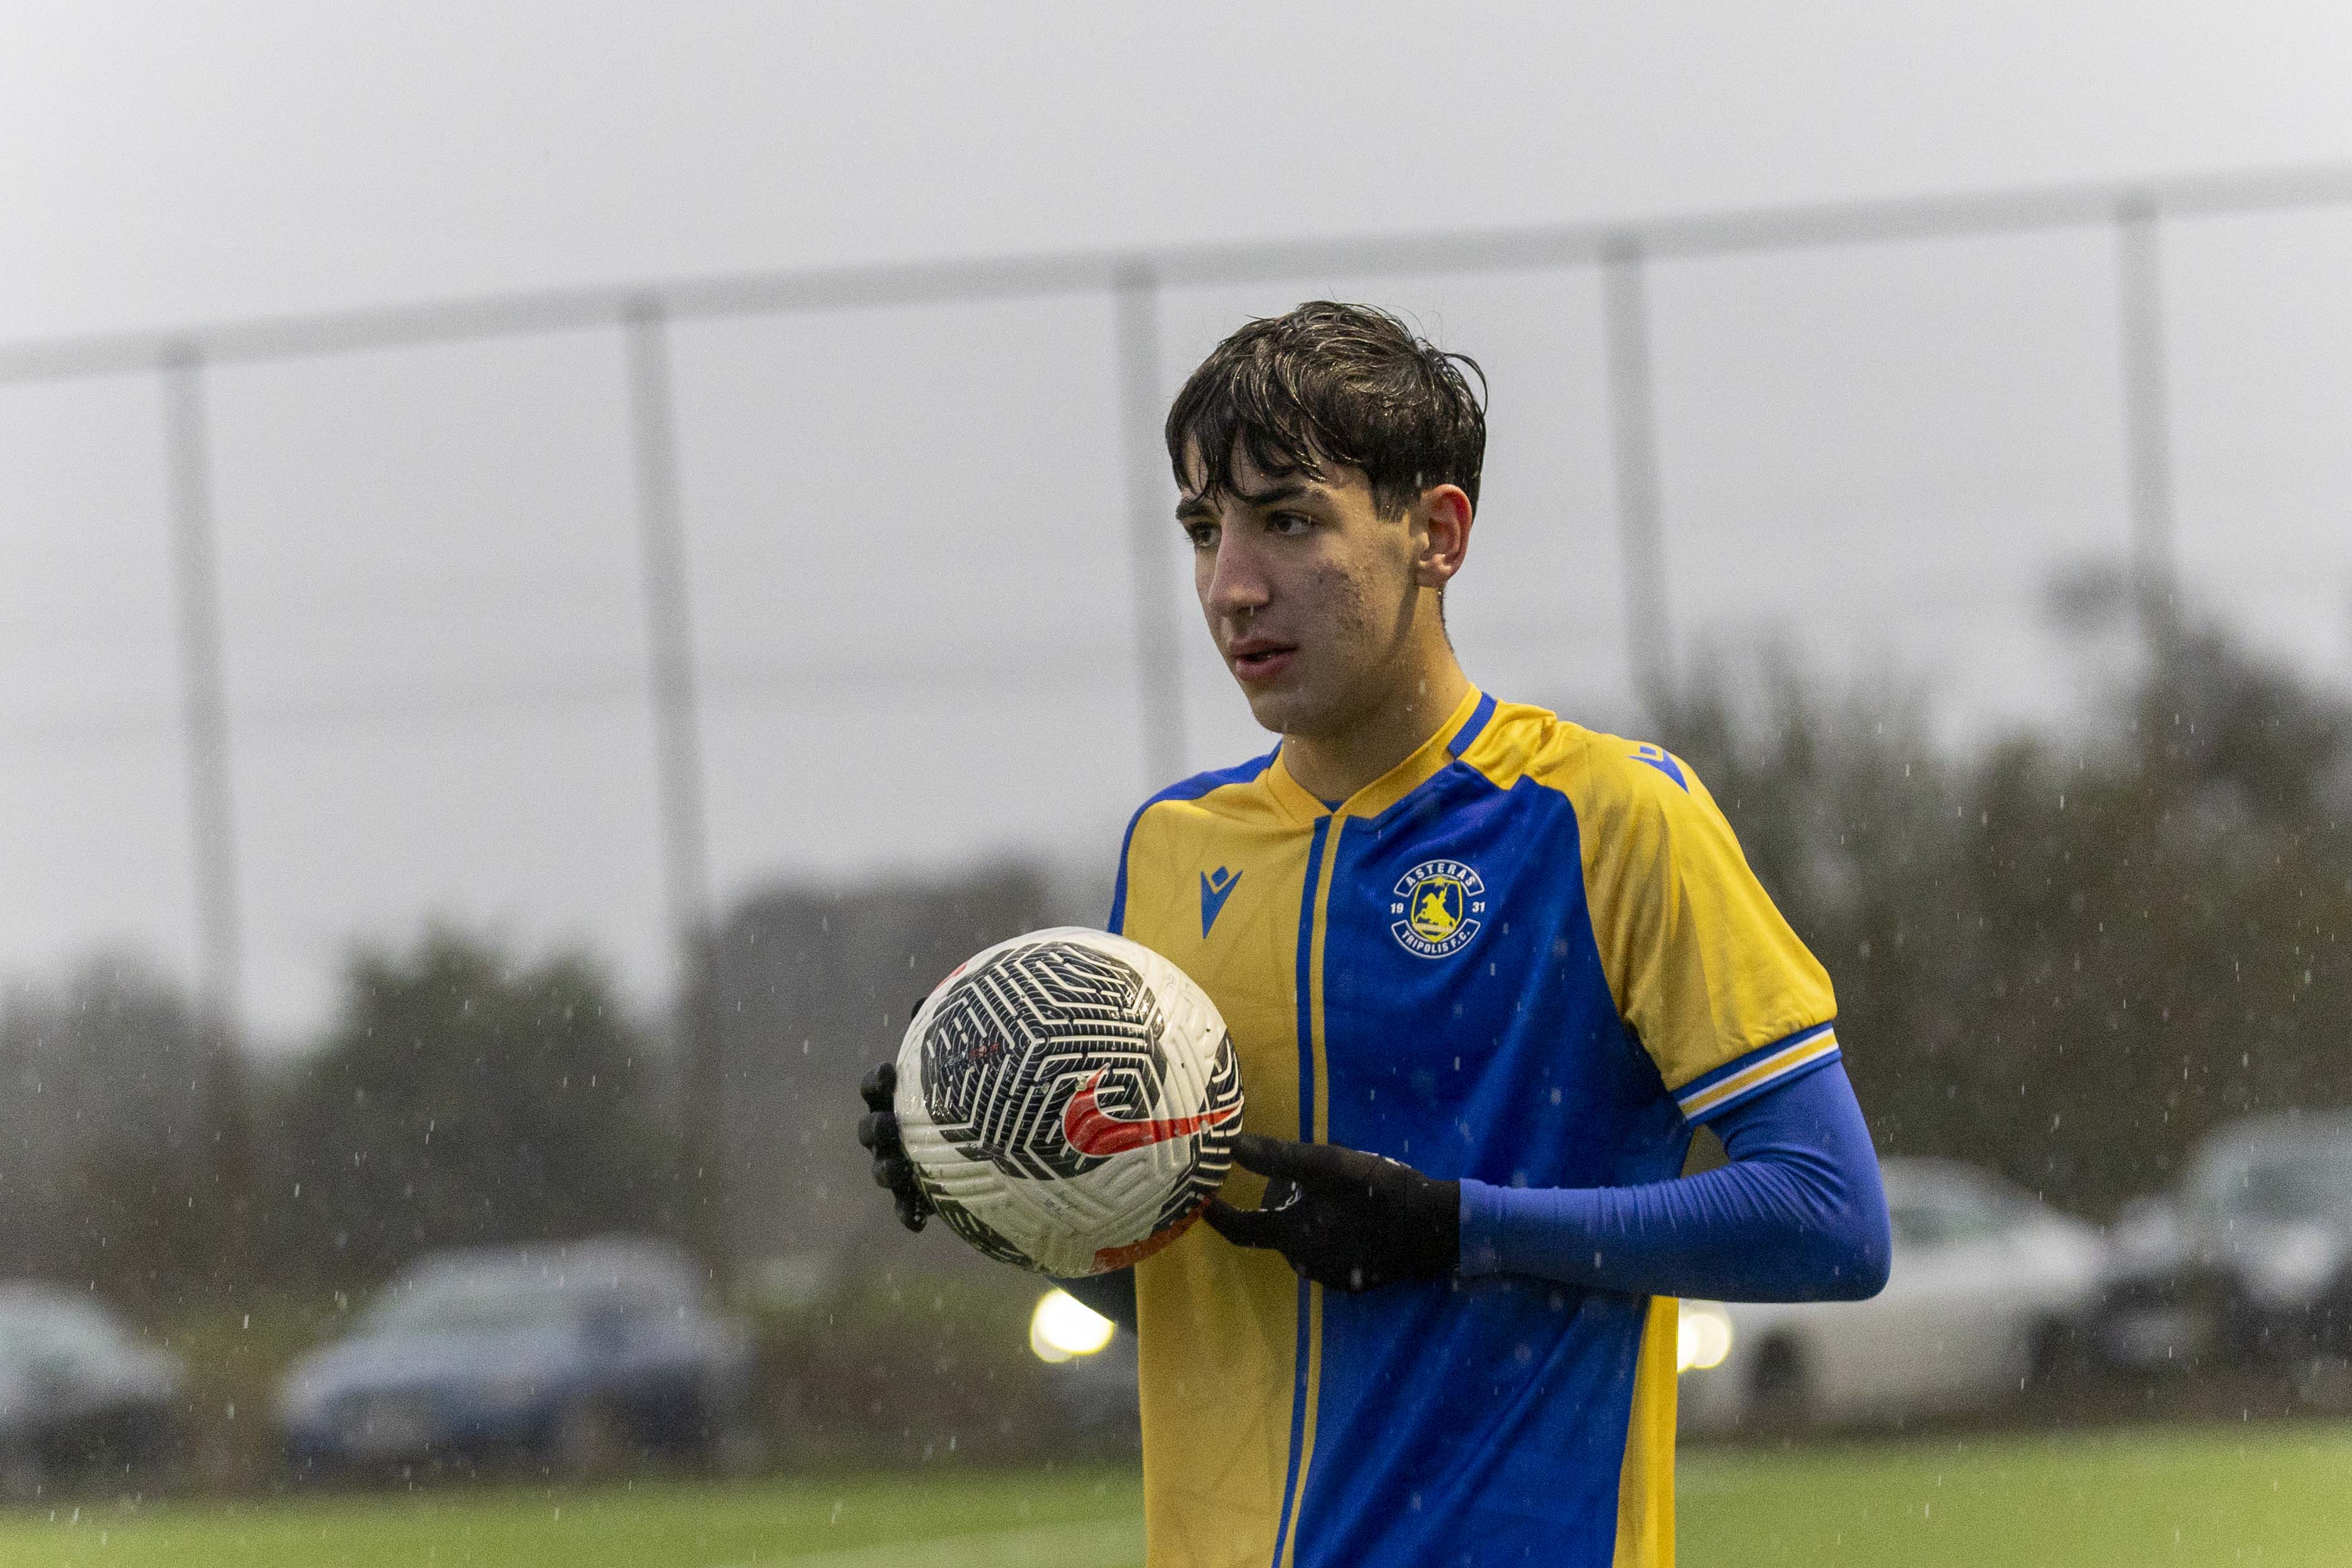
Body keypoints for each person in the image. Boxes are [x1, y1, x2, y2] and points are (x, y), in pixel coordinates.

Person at [860, 302, 1891, 1568]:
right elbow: (1212, 1304)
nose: (1233, 586)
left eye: (1289, 520)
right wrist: (997, 1179)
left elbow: (1831, 1218)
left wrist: (1458, 1226)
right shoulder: (1170, 852)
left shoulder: (1608, 818)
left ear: (1436, 535)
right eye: (1204, 529)